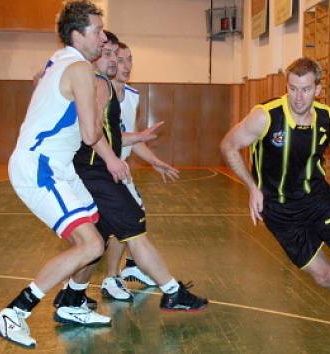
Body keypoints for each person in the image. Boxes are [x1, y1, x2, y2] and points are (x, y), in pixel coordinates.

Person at [220, 57, 330, 331]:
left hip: (316, 199)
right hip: (279, 211)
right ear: (286, 86)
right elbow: (229, 145)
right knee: (324, 276)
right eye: (292, 88)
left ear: (318, 89)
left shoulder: (325, 118)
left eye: (306, 89)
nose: (298, 97)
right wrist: (252, 188)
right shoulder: (266, 116)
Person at [0, 1, 114, 348]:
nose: (103, 38)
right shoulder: (79, 69)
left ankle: (73, 302)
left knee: (96, 236)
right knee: (89, 243)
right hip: (40, 166)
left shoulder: (59, 60)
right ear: (77, 34)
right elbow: (91, 135)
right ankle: (14, 313)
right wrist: (101, 102)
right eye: (98, 31)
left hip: (56, 165)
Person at [62, 31, 208, 312]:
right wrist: (112, 159)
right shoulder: (95, 84)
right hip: (95, 171)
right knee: (134, 226)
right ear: (94, 54)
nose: (116, 61)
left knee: (98, 241)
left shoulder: (102, 83)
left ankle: (71, 294)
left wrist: (138, 139)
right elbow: (90, 133)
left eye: (119, 55)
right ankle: (172, 291)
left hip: (96, 169)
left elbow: (113, 136)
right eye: (109, 54)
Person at [101, 41, 179, 300]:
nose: (126, 65)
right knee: (121, 223)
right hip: (101, 166)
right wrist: (138, 137)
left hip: (121, 168)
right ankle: (110, 278)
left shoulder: (132, 96)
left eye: (129, 59)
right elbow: (111, 137)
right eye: (120, 59)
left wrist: (155, 161)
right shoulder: (101, 92)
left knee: (132, 218)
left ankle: (130, 268)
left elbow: (132, 140)